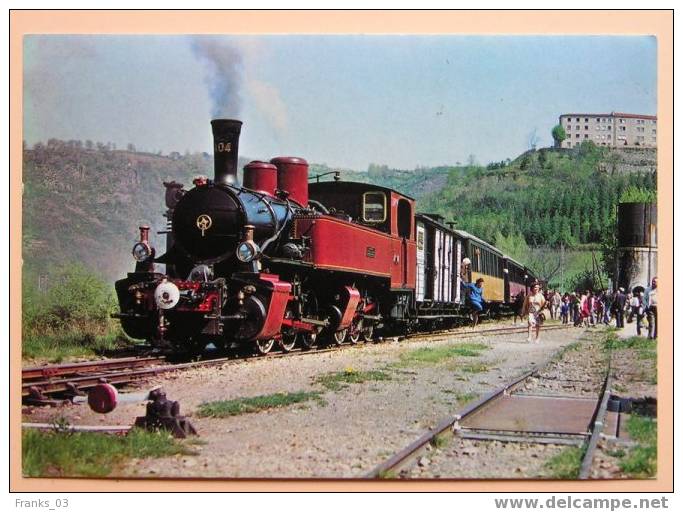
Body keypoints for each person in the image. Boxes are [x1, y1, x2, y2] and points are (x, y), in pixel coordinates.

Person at [460, 259, 485, 328]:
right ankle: (471, 312)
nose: (481, 285)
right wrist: (461, 281)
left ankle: (473, 327)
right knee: (480, 308)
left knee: (476, 316)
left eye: (482, 284)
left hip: (478, 301)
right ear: (478, 283)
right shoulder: (472, 285)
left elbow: (481, 296)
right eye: (480, 283)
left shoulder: (481, 289)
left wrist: (484, 300)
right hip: (473, 300)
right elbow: (465, 285)